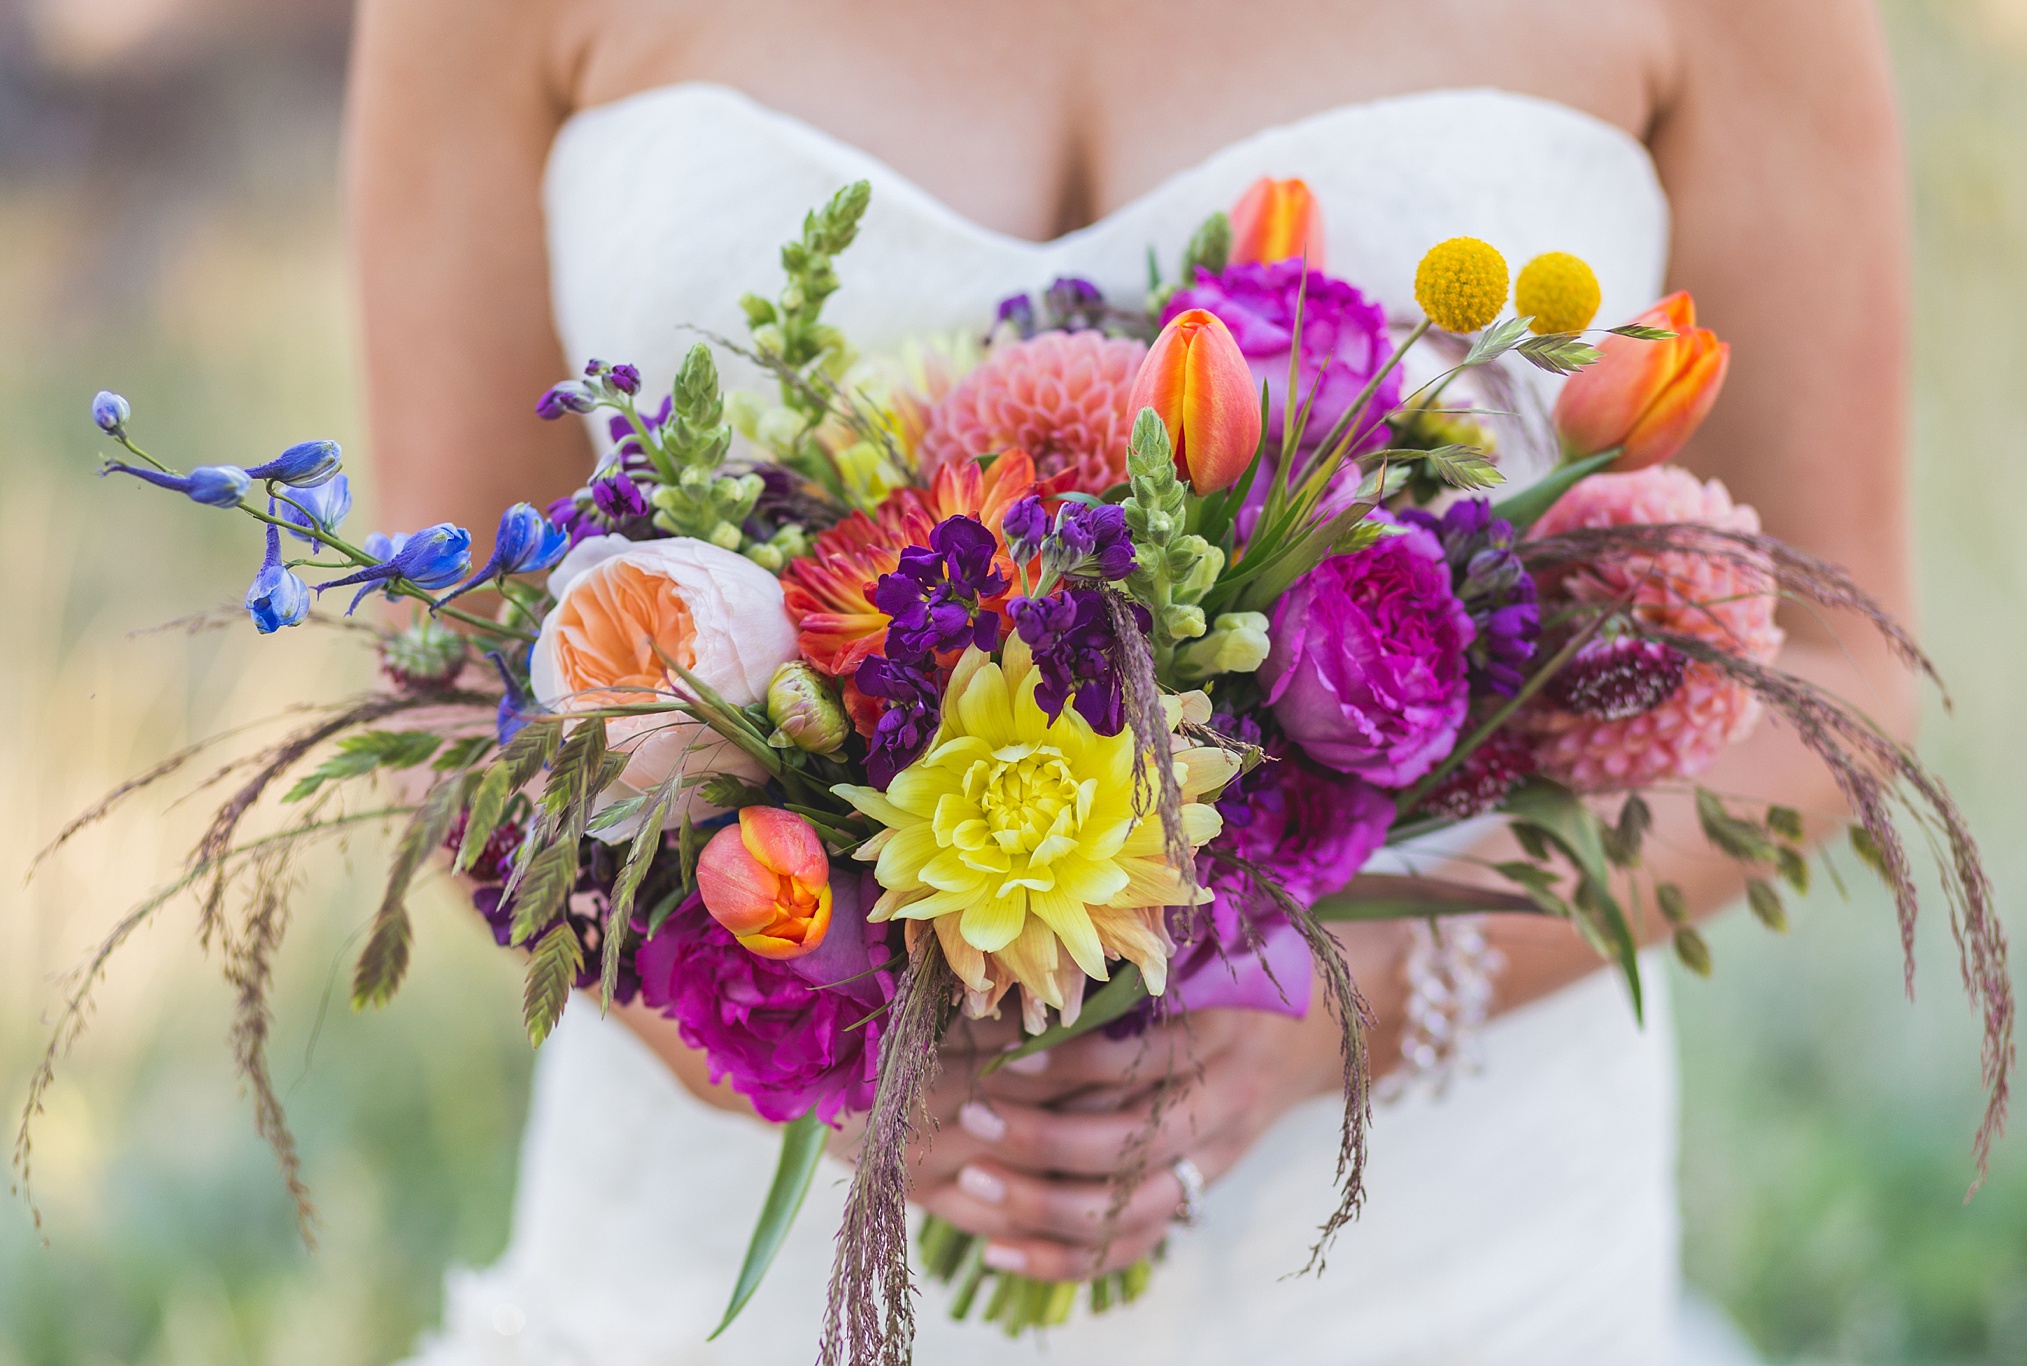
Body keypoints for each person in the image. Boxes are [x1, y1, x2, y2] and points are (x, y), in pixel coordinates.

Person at [347, 1, 1914, 1360]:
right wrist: (769, 1023)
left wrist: (1351, 1000)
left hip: (1429, 1269)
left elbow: (1841, 671)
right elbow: (435, 663)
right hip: (720, 1291)